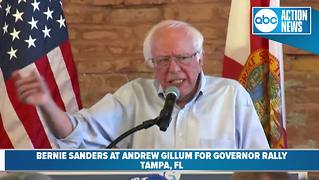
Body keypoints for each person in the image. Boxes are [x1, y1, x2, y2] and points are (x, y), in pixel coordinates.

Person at [13, 20, 269, 149]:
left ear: (201, 58)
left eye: (182, 58)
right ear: (151, 64)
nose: (174, 69)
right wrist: (47, 103)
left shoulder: (231, 95)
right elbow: (76, 135)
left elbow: (261, 168)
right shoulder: (134, 95)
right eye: (162, 60)